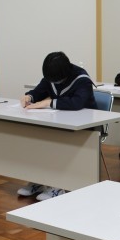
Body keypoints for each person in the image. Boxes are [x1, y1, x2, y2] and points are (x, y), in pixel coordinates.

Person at [18, 51, 96, 199]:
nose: (52, 82)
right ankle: (38, 180)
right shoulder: (53, 76)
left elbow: (77, 102)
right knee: (37, 140)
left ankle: (58, 186)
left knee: (56, 142)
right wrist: (29, 96)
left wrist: (48, 102)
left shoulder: (82, 79)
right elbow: (40, 90)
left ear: (64, 73)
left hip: (83, 128)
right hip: (60, 122)